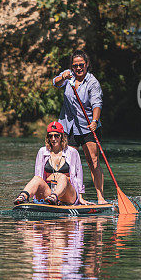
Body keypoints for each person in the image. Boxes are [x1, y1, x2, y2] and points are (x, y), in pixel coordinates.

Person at [52, 49, 108, 205]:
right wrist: (62, 77)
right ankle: (73, 197)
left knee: (93, 162)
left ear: (87, 64)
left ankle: (100, 197)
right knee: (69, 163)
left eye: (81, 65)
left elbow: (97, 104)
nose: (78, 68)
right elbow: (55, 83)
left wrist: (95, 121)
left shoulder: (92, 82)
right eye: (75, 65)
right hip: (68, 126)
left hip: (88, 126)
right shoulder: (68, 76)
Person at [13, 121, 87, 206]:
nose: (53, 139)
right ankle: (23, 197)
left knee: (63, 177)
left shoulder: (72, 152)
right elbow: (39, 174)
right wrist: (36, 197)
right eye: (50, 136)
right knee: (36, 178)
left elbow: (79, 175)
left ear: (62, 137)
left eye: (56, 136)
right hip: (49, 193)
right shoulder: (42, 152)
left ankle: (54, 197)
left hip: (68, 194)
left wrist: (81, 197)